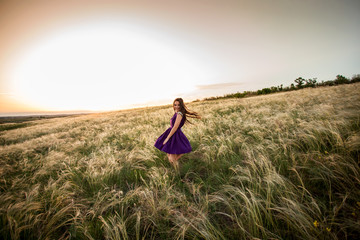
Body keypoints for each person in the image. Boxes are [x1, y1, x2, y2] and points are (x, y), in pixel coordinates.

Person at [154, 98, 201, 169]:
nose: (176, 106)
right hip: (172, 133)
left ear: (181, 105)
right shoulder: (176, 113)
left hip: (174, 135)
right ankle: (175, 170)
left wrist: (167, 138)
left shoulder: (179, 114)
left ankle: (177, 172)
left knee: (172, 158)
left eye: (178, 105)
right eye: (175, 105)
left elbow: (175, 127)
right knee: (169, 155)